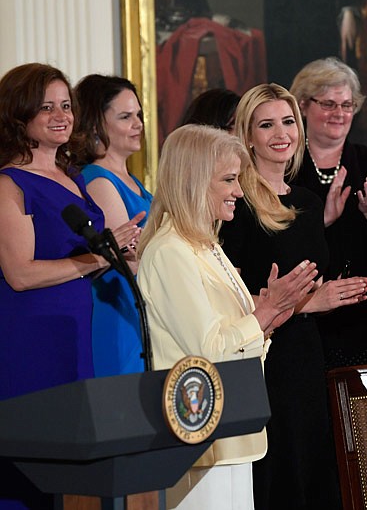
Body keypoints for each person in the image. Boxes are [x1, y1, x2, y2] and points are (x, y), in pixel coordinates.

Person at [137, 124, 318, 510]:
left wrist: (270, 319)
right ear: (194, 180)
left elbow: (237, 342)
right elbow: (210, 350)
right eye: (229, 180)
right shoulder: (171, 252)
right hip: (199, 434)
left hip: (232, 427)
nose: (239, 191)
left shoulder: (206, 247)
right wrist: (265, 311)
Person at [220, 82, 367, 509]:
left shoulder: (306, 199)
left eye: (288, 121)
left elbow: (304, 277)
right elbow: (225, 294)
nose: (281, 133)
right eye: (266, 125)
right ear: (247, 136)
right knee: (278, 476)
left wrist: (328, 293)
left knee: (311, 473)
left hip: (307, 355)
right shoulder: (236, 204)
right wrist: (307, 303)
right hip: (263, 359)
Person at [0, 63, 138, 510]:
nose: (61, 116)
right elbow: (20, 274)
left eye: (66, 106)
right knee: (31, 470)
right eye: (46, 108)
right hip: (32, 340)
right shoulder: (9, 184)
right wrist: (97, 258)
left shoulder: (72, 176)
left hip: (79, 331)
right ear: (18, 115)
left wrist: (121, 252)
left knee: (72, 474)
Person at [290, 57, 367, 368]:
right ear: (303, 105)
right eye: (329, 104)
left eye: (347, 105)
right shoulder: (286, 168)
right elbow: (272, 241)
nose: (339, 114)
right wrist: (323, 221)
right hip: (306, 318)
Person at [75, 74, 150, 376]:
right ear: (95, 124)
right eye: (125, 116)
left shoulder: (133, 181)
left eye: (139, 115)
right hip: (122, 312)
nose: (138, 124)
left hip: (141, 310)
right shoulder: (100, 180)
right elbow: (131, 261)